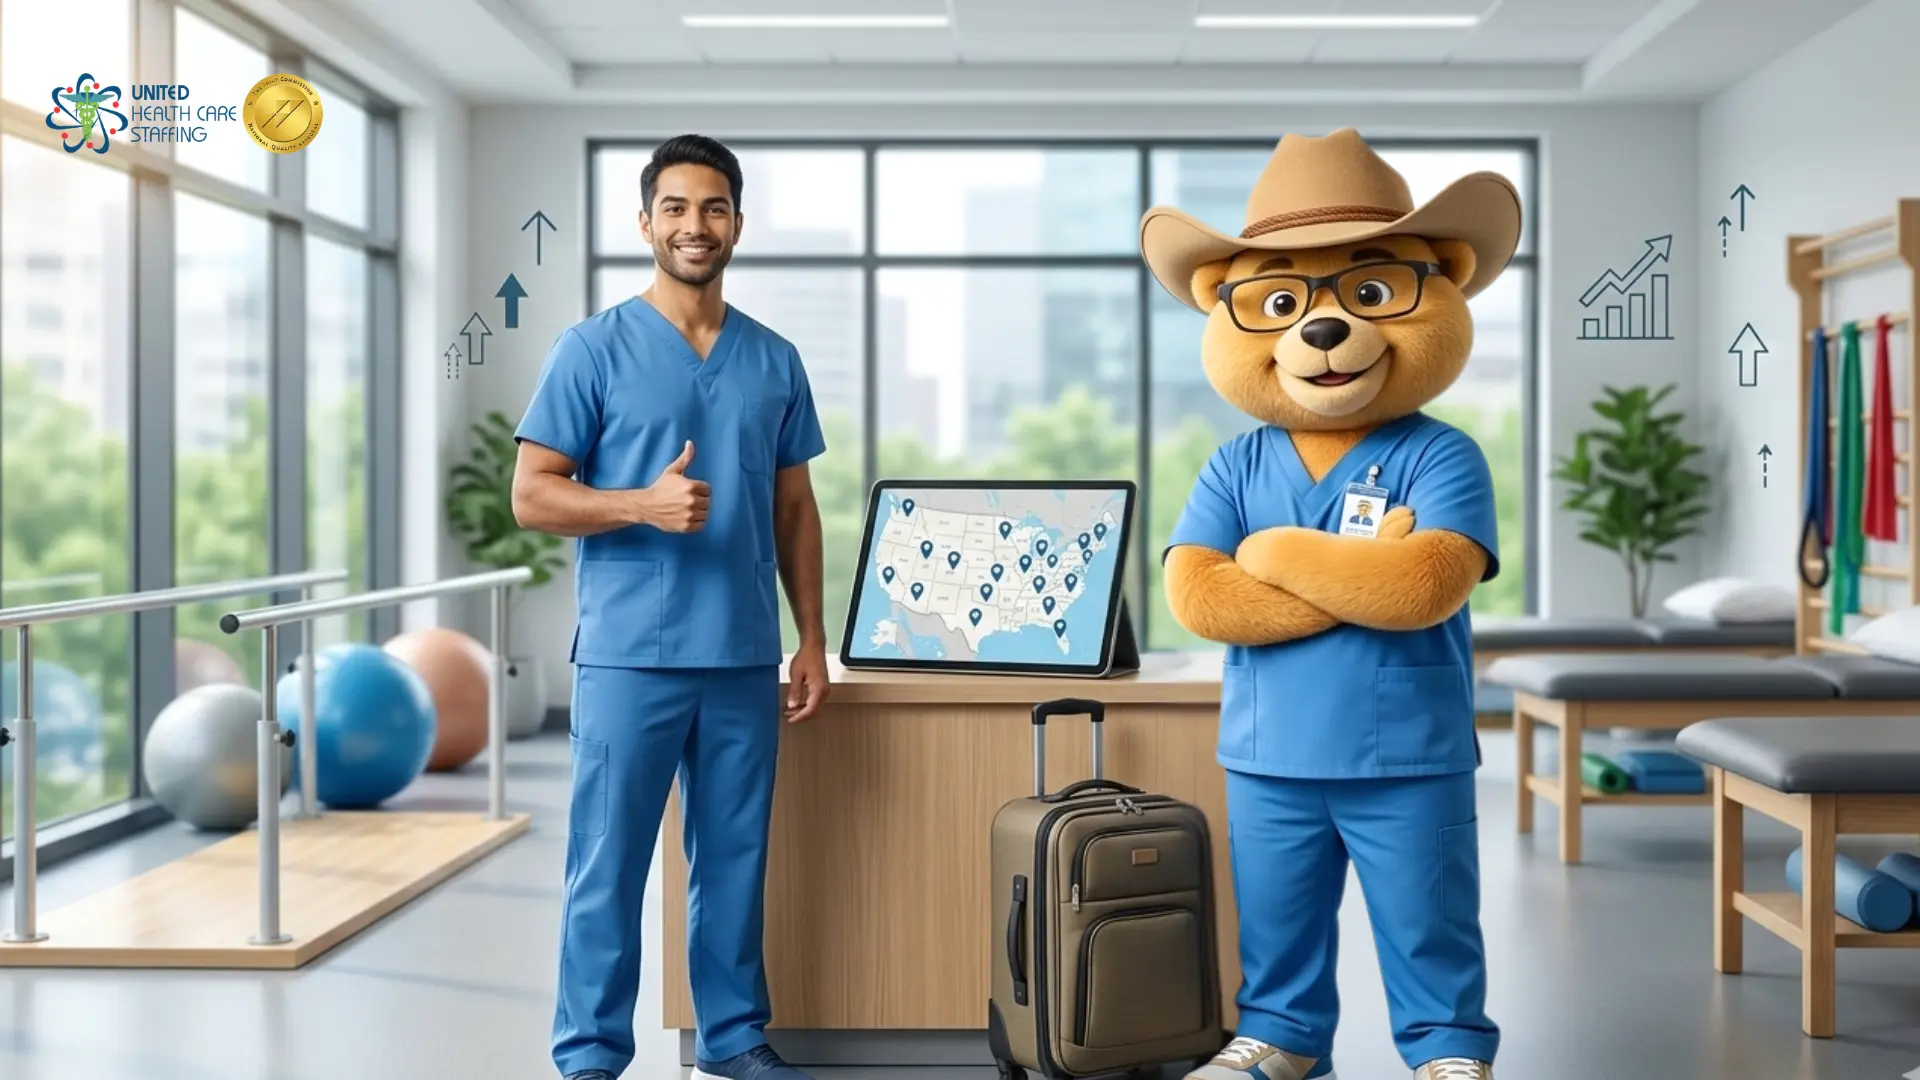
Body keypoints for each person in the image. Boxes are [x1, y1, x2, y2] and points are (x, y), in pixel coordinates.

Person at [511, 133, 832, 1080]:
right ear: (646, 221)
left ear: (738, 223)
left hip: (740, 656)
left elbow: (794, 507)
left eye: (716, 208)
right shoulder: (592, 350)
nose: (698, 226)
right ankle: (590, 1057)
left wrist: (810, 638)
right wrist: (637, 505)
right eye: (679, 209)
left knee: (733, 863)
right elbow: (532, 493)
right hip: (627, 658)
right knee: (606, 869)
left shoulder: (774, 360)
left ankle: (734, 1041)